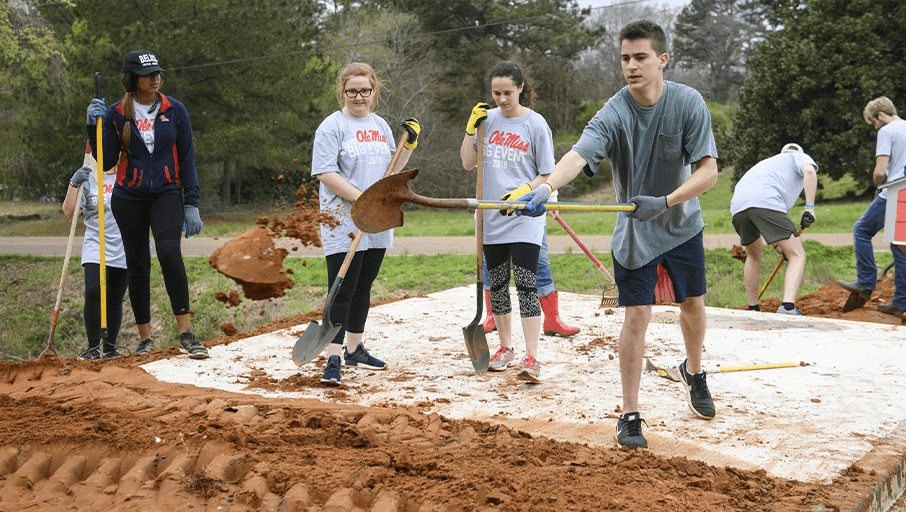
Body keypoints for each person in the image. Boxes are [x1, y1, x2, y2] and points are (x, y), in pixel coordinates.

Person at [516, 20, 719, 449]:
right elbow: (578, 154)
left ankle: (694, 371)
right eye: (625, 58)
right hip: (634, 235)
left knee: (693, 305)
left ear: (662, 60)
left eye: (641, 57)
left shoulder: (688, 103)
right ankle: (630, 414)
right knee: (637, 316)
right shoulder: (615, 111)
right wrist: (547, 186)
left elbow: (708, 172)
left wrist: (665, 201)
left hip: (681, 224)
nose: (631, 66)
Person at [86, 49, 208, 359]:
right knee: (138, 266)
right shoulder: (115, 114)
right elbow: (108, 161)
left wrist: (191, 202)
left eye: (157, 73)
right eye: (148, 74)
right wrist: (94, 126)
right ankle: (145, 338)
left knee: (169, 254)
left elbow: (187, 158)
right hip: (128, 198)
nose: (156, 78)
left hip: (167, 193)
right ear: (131, 80)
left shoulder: (175, 110)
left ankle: (186, 334)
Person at [312, 62, 420, 386]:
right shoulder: (332, 127)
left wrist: (409, 145)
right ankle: (333, 356)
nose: (359, 97)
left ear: (374, 92)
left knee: (364, 285)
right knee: (342, 287)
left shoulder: (381, 125)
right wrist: (362, 198)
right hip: (342, 220)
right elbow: (326, 173)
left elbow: (392, 168)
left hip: (378, 218)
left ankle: (355, 349)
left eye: (365, 91)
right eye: (352, 91)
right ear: (343, 92)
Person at [460, 60, 553, 382]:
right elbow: (468, 164)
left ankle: (532, 356)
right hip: (489, 217)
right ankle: (505, 347)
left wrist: (527, 190)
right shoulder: (487, 121)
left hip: (524, 216)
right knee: (497, 285)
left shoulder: (536, 124)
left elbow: (548, 173)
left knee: (526, 284)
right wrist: (471, 129)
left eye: (508, 92)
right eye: (496, 93)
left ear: (521, 89)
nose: (501, 99)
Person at [836, 96, 906, 316]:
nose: (875, 126)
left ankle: (865, 283)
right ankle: (900, 303)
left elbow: (879, 172)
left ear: (881, 115)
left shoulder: (887, 131)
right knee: (900, 246)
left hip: (895, 191)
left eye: (874, 122)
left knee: (862, 229)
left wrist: (878, 182)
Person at [730, 143, 818, 315]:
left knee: (754, 256)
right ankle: (788, 308)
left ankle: (753, 308)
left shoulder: (768, 166)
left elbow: (766, 223)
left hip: (738, 207)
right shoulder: (797, 156)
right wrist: (810, 208)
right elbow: (809, 171)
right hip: (766, 202)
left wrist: (780, 248)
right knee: (798, 255)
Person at [62, 151, 129, 359]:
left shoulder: (127, 175)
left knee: (115, 298)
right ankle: (92, 348)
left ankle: (110, 348)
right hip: (95, 243)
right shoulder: (90, 177)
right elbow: (70, 212)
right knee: (93, 292)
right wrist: (73, 184)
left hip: (123, 245)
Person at [481, 206, 580, 337]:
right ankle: (492, 316)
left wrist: (554, 202)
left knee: (541, 260)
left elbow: (548, 185)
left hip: (532, 215)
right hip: (495, 215)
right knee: (491, 263)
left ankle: (552, 320)